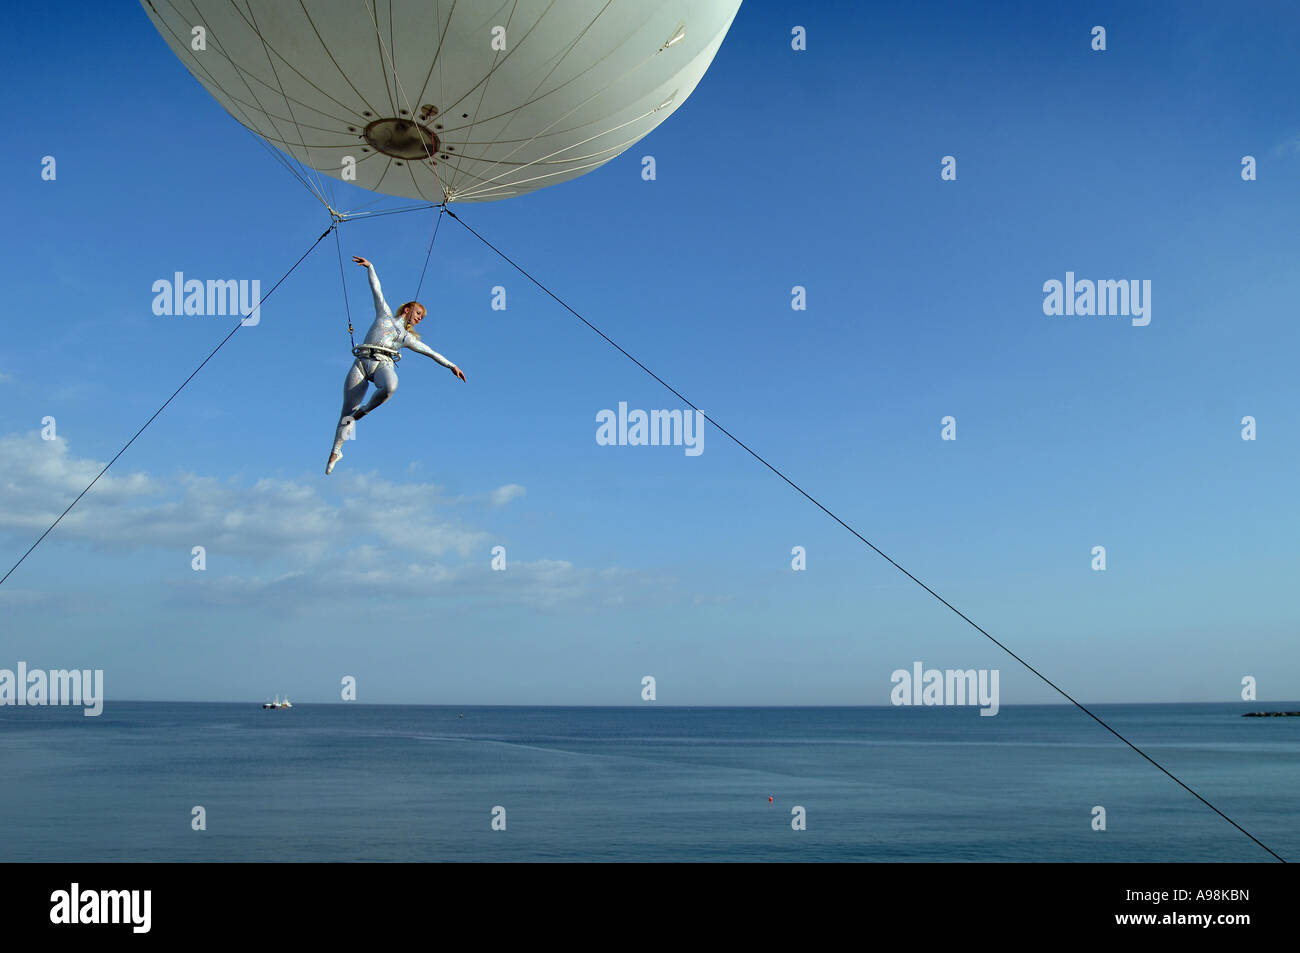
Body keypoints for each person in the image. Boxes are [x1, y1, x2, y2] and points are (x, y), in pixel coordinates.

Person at [326, 256, 466, 474]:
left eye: (422, 317)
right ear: (408, 309)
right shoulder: (384, 314)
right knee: (346, 413)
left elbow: (430, 352)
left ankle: (366, 410)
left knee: (391, 386)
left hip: (383, 364)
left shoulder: (406, 338)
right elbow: (377, 290)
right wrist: (370, 267)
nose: (420, 319)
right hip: (362, 363)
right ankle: (336, 451)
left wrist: (451, 365)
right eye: (419, 313)